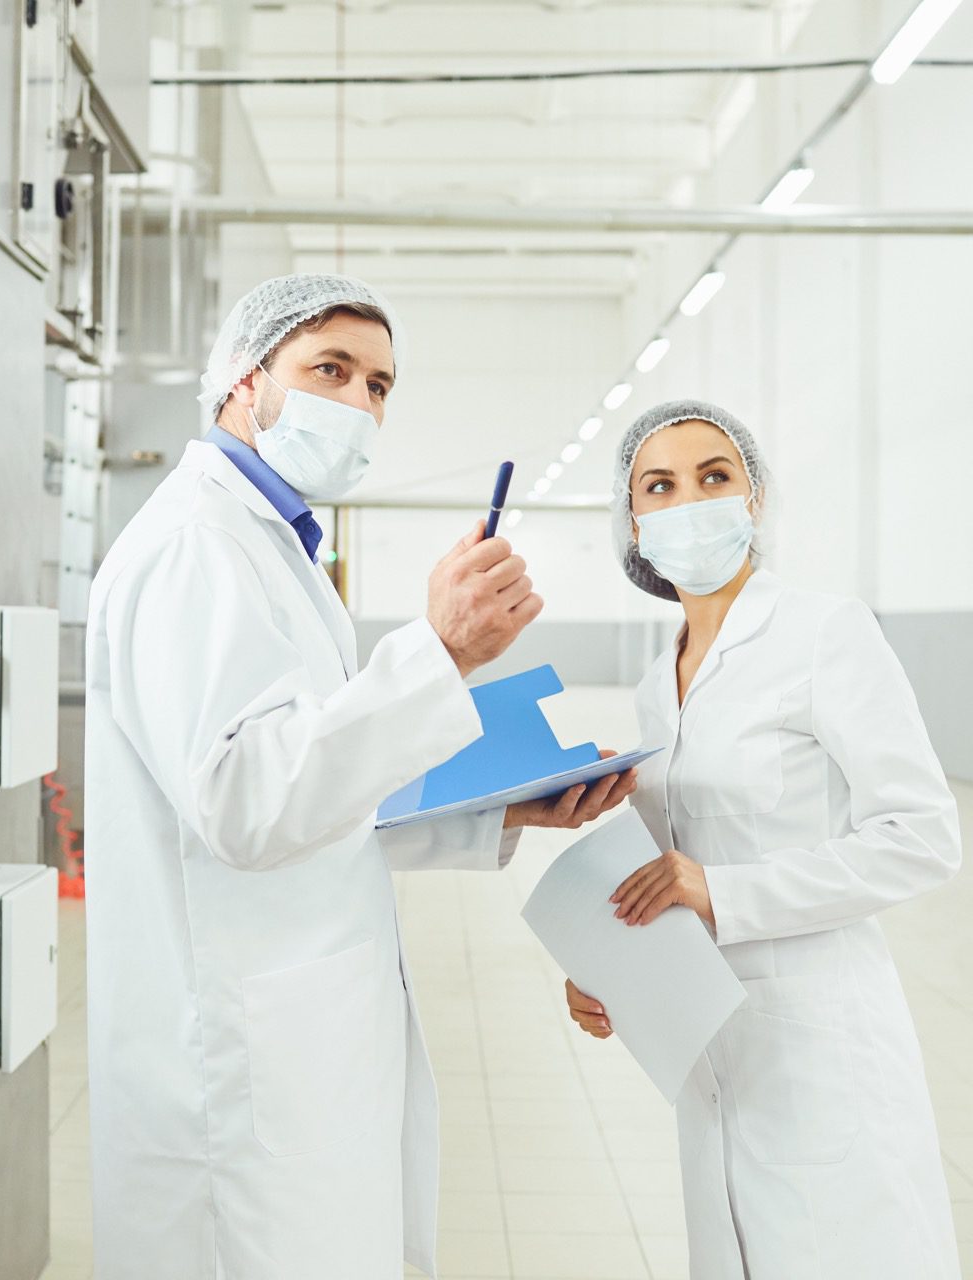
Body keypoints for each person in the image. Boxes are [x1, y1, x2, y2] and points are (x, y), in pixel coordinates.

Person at [84, 273, 638, 1279]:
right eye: (328, 368)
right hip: (237, 1059)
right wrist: (438, 650)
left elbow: (321, 784)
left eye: (379, 384)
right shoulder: (193, 548)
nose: (358, 402)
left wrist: (495, 806)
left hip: (301, 1031)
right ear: (246, 380)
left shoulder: (277, 549)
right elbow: (245, 804)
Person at [562, 400, 962, 1278]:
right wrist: (606, 964)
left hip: (820, 1034)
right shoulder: (655, 684)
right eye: (659, 486)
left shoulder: (827, 632)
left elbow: (922, 834)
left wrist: (726, 892)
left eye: (715, 476)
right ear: (635, 523)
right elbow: (665, 872)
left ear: (755, 497)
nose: (689, 500)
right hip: (707, 1035)